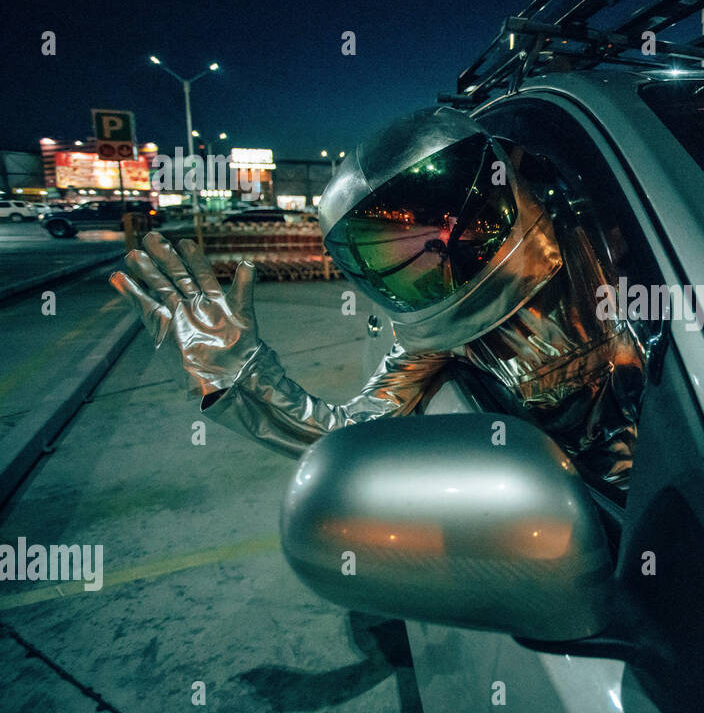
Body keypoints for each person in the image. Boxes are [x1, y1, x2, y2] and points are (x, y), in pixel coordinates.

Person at [110, 107, 653, 489]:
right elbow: (353, 434)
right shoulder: (438, 335)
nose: (440, 252)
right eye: (404, 247)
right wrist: (241, 373)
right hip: (613, 519)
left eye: (445, 225)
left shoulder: (619, 230)